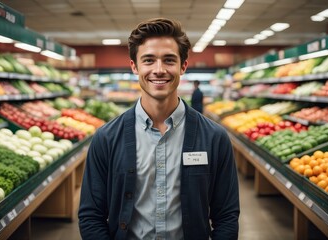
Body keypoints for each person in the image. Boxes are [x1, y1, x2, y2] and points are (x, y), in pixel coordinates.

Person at [78, 17, 240, 240]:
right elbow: (91, 216)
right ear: (134, 66)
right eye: (149, 60)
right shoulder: (106, 138)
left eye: (169, 60)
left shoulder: (214, 138)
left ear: (183, 66)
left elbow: (227, 216)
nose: (159, 69)